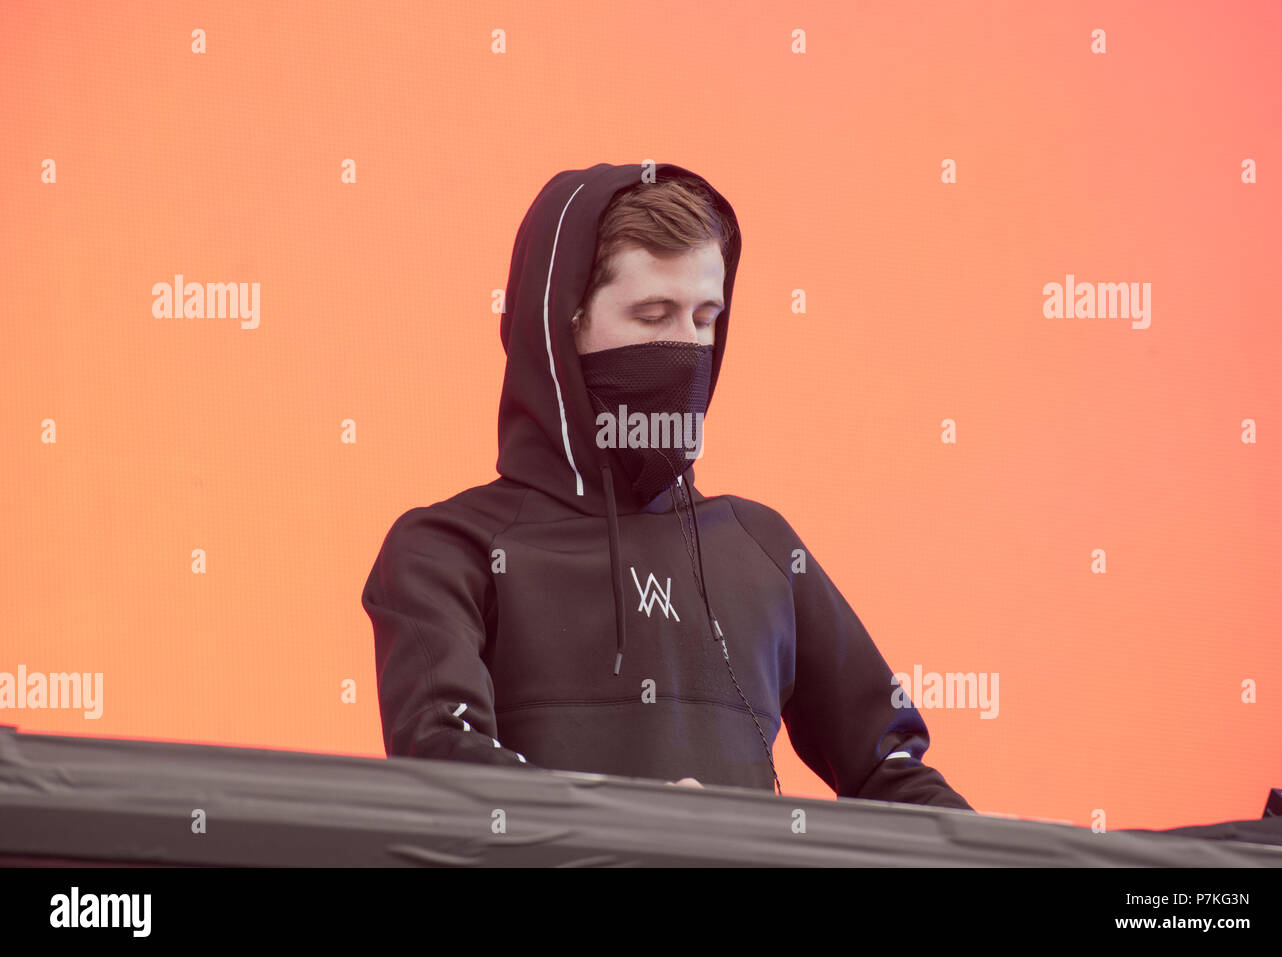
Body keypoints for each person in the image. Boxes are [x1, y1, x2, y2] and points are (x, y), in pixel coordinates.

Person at [361, 161, 974, 809]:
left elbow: (891, 772)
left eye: (705, 318)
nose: (687, 349)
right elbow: (446, 766)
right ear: (559, 327)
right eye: (653, 314)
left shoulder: (761, 545)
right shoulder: (446, 548)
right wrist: (640, 823)